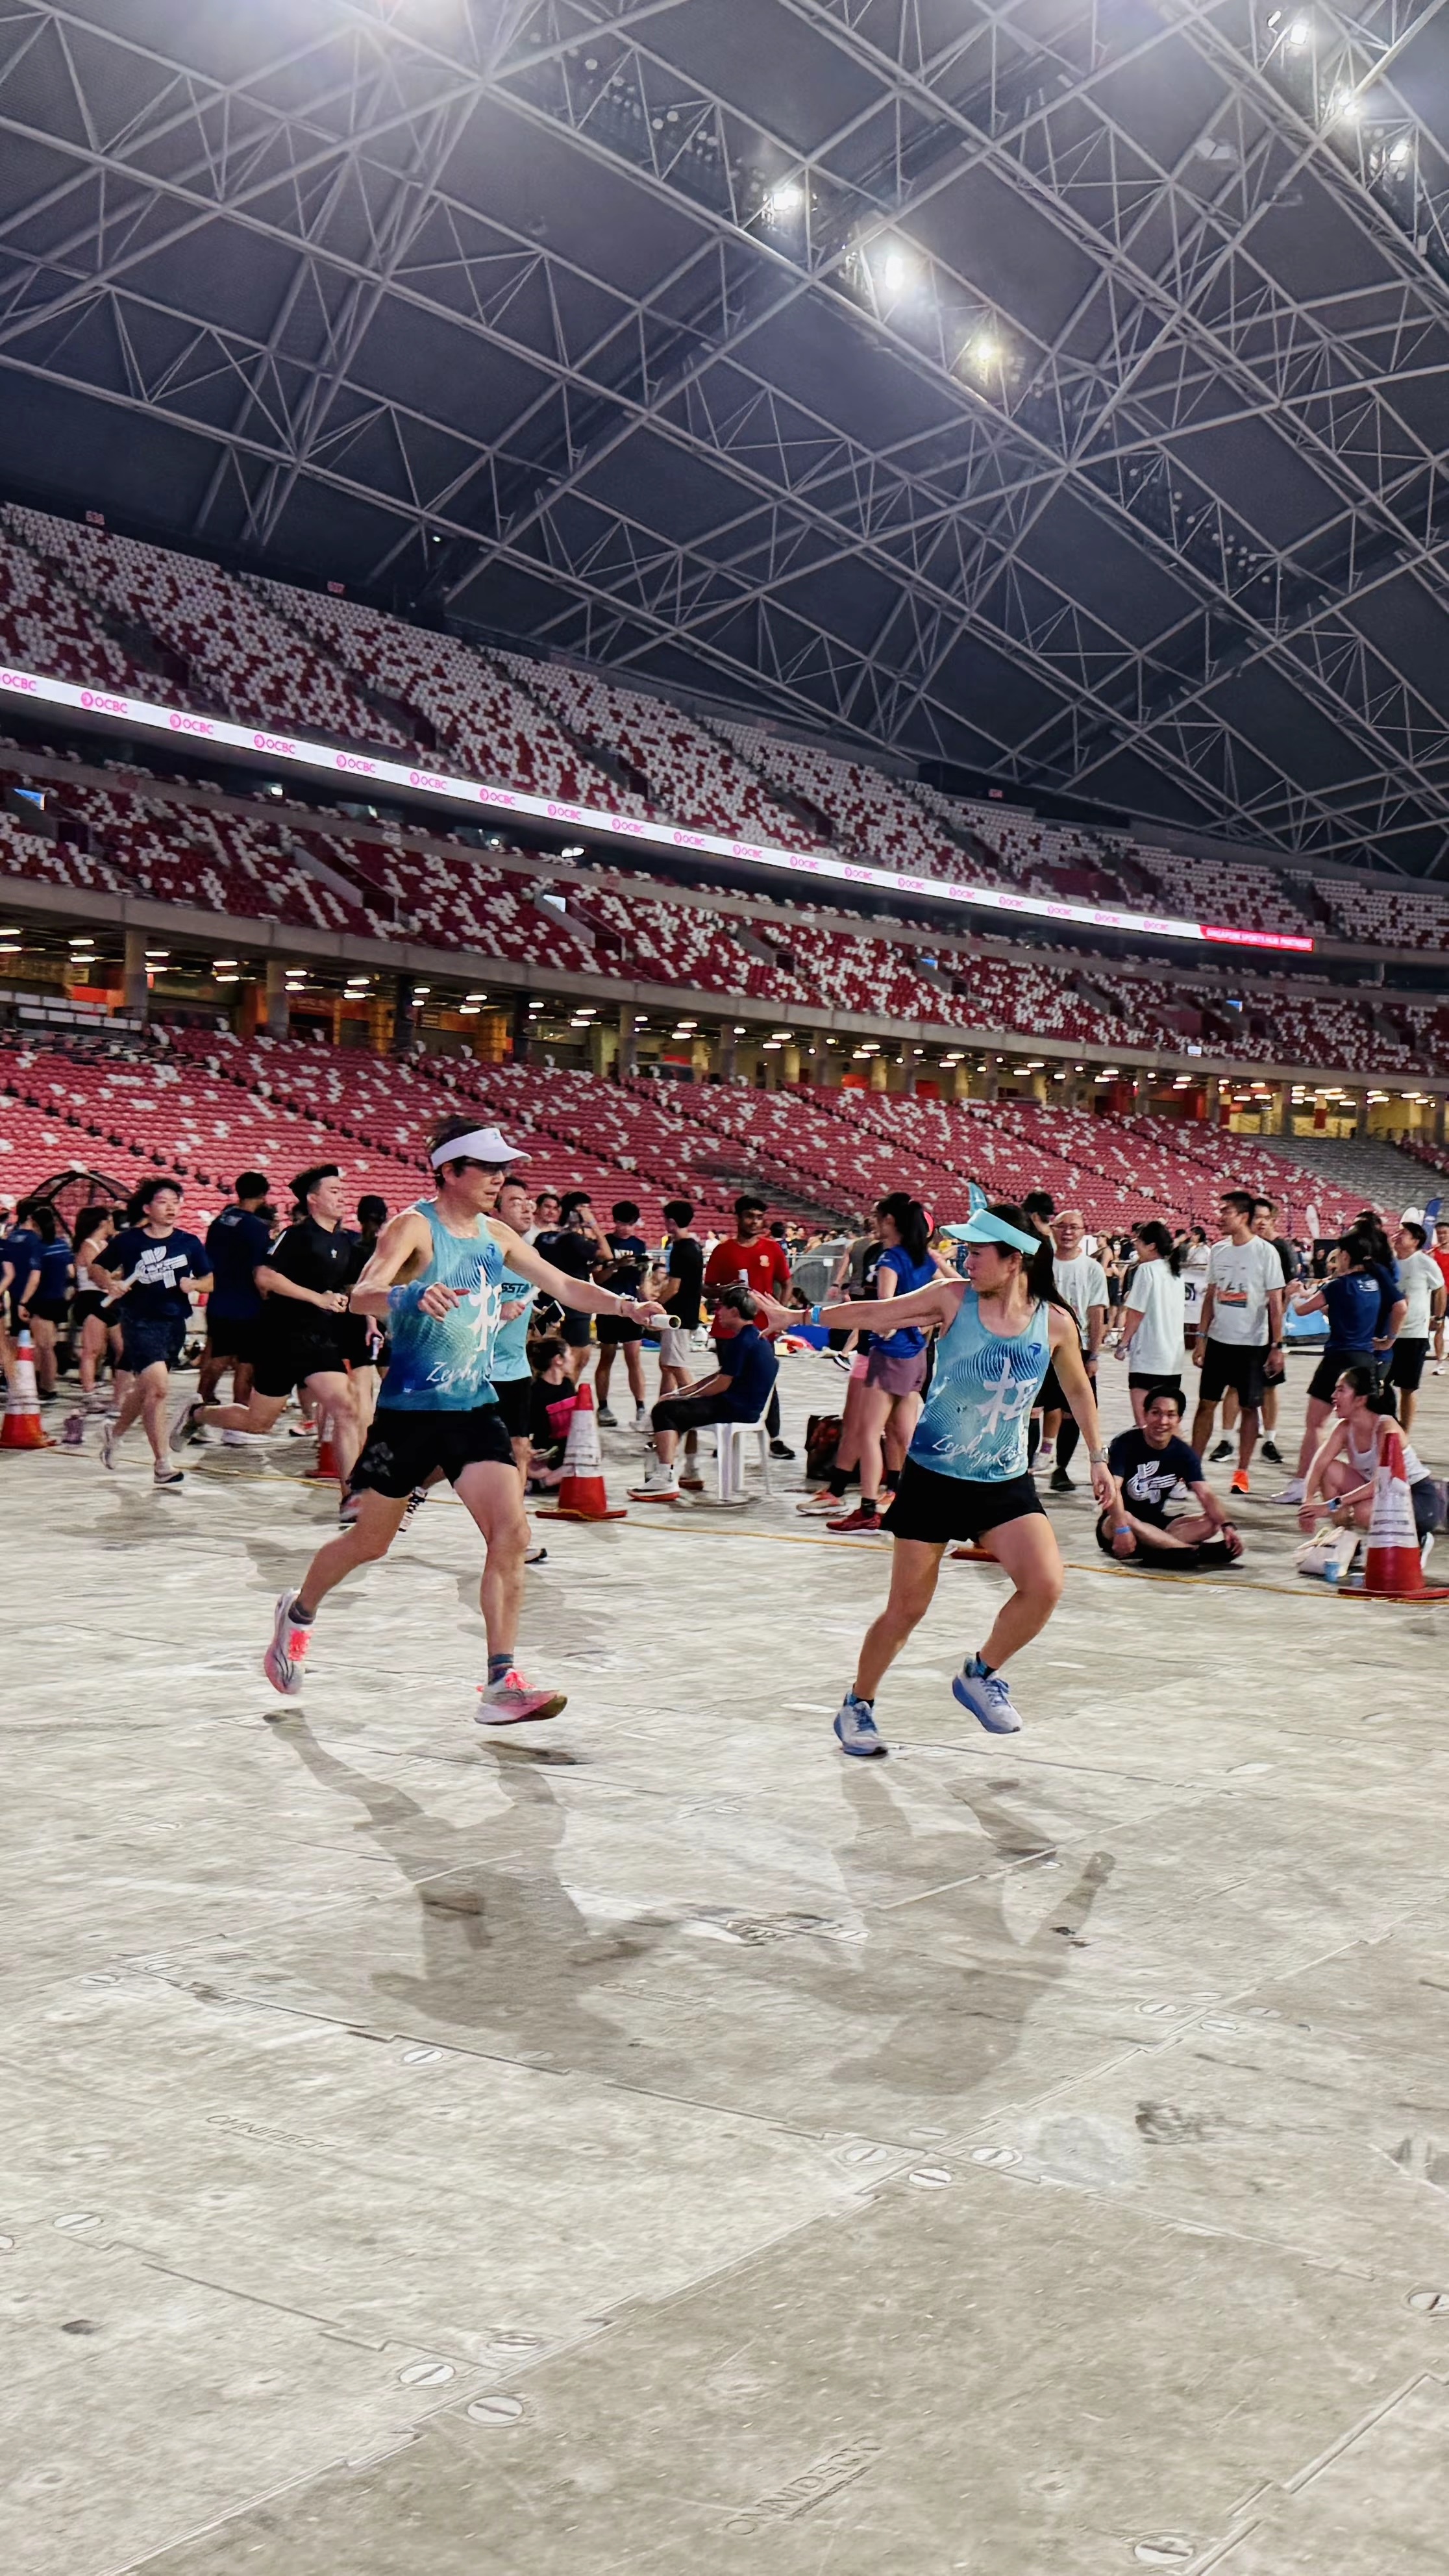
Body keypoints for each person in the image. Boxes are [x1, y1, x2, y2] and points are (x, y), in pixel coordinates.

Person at [261, 1115, 666, 1718]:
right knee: (369, 1543)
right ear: (450, 1171)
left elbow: (564, 1284)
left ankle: (501, 1681)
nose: (500, 1179)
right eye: (488, 1168)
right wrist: (408, 1294)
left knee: (512, 1531)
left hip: (475, 1409)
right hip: (408, 1416)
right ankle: (297, 1611)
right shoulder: (412, 1228)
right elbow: (363, 1292)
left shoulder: (496, 1236)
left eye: (505, 1170)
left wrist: (625, 1306)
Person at [754, 1204, 1113, 1756]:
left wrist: (1097, 1457)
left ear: (1013, 1259)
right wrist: (798, 1318)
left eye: (977, 1252)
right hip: (934, 1475)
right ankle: (858, 1705)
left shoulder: (1056, 1323)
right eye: (965, 1251)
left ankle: (980, 1674)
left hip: (1002, 1479)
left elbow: (1078, 1391)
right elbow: (877, 1314)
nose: (966, 1260)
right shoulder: (952, 1301)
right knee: (908, 1609)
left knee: (1045, 1584)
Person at [177, 1164, 367, 1485]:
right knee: (258, 1422)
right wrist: (316, 1298)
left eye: (343, 1191)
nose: (342, 1197)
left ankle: (352, 1496)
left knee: (347, 1407)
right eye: (334, 1191)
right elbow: (264, 1275)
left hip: (320, 1341)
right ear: (313, 1200)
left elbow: (350, 1288)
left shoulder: (345, 1243)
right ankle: (198, 1414)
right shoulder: (296, 1235)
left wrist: (364, 1312)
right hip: (282, 1340)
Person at [90, 1178, 212, 1486]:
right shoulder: (130, 1241)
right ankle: (162, 1464)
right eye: (163, 1201)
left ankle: (114, 1434)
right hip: (139, 1321)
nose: (171, 1207)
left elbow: (211, 1280)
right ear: (147, 1208)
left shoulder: (189, 1243)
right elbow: (96, 1267)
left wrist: (194, 1285)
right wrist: (110, 1283)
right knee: (158, 1388)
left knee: (147, 1389)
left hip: (174, 1323)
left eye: (176, 1201)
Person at [826, 1193, 936, 1533]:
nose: (872, 1221)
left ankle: (868, 1507)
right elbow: (943, 1294)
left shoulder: (890, 1258)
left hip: (890, 1355)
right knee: (904, 1435)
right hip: (916, 1355)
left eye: (878, 1216)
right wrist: (919, 1325)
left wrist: (875, 1325)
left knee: (869, 1434)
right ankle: (910, 1504)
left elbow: (884, 1310)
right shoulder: (925, 1259)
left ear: (891, 1221)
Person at [629, 1284, 779, 1502]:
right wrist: (684, 1392)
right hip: (745, 1406)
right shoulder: (755, 1337)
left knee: (664, 1411)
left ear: (735, 1312)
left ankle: (664, 1477)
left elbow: (722, 1385)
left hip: (736, 1408)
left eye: (722, 1308)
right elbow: (720, 1375)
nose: (717, 1313)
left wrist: (687, 1397)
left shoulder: (741, 1342)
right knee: (678, 1407)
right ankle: (689, 1471)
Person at [1270, 1227, 1387, 1505]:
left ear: (1346, 1255)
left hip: (1339, 1360)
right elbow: (1341, 1311)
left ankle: (1302, 1484)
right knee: (1367, 1426)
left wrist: (1296, 1292)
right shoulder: (1375, 1283)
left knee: (1315, 1424)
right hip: (1366, 1360)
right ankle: (1372, 1483)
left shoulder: (1339, 1285)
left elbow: (1301, 1310)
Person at [1190, 1191, 1285, 1495]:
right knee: (1206, 1405)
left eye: (1226, 1211)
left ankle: (1242, 1472)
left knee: (1249, 1407)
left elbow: (1275, 1302)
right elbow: (1210, 1297)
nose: (1220, 1216)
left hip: (1252, 1346)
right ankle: (1193, 1469)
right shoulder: (1218, 1251)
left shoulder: (1265, 1252)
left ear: (1243, 1216)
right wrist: (1201, 1338)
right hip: (1219, 1341)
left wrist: (1277, 1345)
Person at [1296, 1363, 1438, 1554]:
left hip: (1417, 1497)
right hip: (1384, 1491)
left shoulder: (1386, 1428)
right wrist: (1308, 1502)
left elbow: (1381, 1482)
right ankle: (1349, 1545)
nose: (1333, 1396)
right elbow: (1319, 1464)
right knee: (1330, 1470)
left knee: (1364, 1511)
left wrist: (1330, 1506)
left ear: (1360, 1399)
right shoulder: (1344, 1428)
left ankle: (1418, 1539)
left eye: (1340, 1391)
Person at [1100, 1387, 1243, 1570]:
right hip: (1116, 1523)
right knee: (1127, 1517)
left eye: (1170, 1415)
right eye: (1156, 1413)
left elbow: (1205, 1495)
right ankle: (1192, 1552)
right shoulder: (1124, 1443)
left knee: (1211, 1521)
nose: (1163, 1421)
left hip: (1157, 1524)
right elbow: (1113, 1491)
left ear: (1179, 1420)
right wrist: (1121, 1528)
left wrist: (1227, 1526)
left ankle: (1160, 1551)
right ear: (1145, 1414)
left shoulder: (1183, 1452)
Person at [704, 1195, 795, 1457]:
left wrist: (781, 1312)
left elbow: (787, 1282)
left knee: (767, 1382)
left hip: (762, 1328)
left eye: (759, 1217)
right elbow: (707, 1288)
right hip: (728, 1328)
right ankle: (726, 1436)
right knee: (727, 1380)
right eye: (750, 1217)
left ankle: (774, 1438)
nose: (755, 1222)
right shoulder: (723, 1250)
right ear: (738, 1217)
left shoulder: (772, 1249)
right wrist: (724, 1289)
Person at [1040, 1208, 1107, 1491]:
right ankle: (1025, 1468)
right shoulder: (1042, 1263)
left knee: (1073, 1410)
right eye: (1063, 1226)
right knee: (1034, 1407)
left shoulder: (1092, 1269)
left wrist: (1093, 1353)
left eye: (1075, 1227)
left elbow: (1096, 1313)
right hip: (1040, 1345)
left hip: (1076, 1349)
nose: (1068, 1231)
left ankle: (1061, 1469)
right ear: (1053, 1229)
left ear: (1083, 1232)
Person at [199, 1171, 271, 1408]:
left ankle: (199, 1404)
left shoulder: (219, 1221)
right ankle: (240, 1413)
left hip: (218, 1300)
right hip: (247, 1305)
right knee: (246, 1363)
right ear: (263, 1195)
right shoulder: (256, 1228)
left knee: (217, 1358)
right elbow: (258, 1272)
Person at [1118, 1222, 1187, 1426]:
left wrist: (1123, 1343)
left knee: (1146, 1424)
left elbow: (1136, 1313)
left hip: (1149, 1355)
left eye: (1138, 1242)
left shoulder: (1146, 1270)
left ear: (1151, 1246)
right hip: (1172, 1358)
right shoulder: (1175, 1272)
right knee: (1168, 1425)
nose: (1136, 1246)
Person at [532, 1189, 605, 1381]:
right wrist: (593, 1225)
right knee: (572, 1359)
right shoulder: (573, 1239)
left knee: (544, 1358)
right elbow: (606, 1254)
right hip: (575, 1304)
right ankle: (565, 1400)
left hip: (547, 1304)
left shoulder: (543, 1238)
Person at [593, 1198, 650, 1428]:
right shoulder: (605, 1243)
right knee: (606, 1356)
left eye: (629, 1224)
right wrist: (617, 1265)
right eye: (620, 1223)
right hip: (608, 1305)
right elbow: (597, 1278)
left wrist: (648, 1300)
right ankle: (603, 1406)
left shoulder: (640, 1245)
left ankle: (641, 1406)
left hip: (632, 1306)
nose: (624, 1228)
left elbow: (642, 1281)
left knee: (634, 1357)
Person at [1250, 1198, 1297, 1464]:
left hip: (1270, 1327)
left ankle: (1270, 1439)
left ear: (1273, 1219)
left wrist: (1278, 1328)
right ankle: (1233, 1437)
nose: (1261, 1221)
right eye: (1256, 1216)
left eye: (1265, 1217)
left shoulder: (1281, 1248)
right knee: (1239, 1386)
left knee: (1270, 1385)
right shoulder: (1245, 1247)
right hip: (1244, 1327)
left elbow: (1288, 1290)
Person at [1387, 1219, 1441, 1438]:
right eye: (1398, 1232)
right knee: (1380, 1382)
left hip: (1415, 1334)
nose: (1398, 1236)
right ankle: (1388, 1424)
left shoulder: (1425, 1262)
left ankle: (1404, 1435)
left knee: (1407, 1388)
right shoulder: (1389, 1262)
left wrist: (1437, 1317)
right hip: (1389, 1334)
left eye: (1404, 1234)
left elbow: (1440, 1289)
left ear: (1416, 1241)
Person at [21, 1204, 75, 1398]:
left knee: (44, 1348)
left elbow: (34, 1279)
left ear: (36, 1225)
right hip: (58, 1299)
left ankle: (48, 1387)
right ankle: (45, 1384)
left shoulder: (40, 1248)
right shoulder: (62, 1244)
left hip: (42, 1300)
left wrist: (23, 1302)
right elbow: (71, 1272)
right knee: (49, 1346)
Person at [72, 1203, 119, 1407]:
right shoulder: (88, 1246)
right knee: (92, 1349)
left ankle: (121, 1387)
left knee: (120, 1347)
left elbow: (114, 1271)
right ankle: (89, 1393)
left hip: (107, 1298)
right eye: (109, 1220)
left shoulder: (105, 1246)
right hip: (92, 1298)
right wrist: (111, 1279)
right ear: (102, 1223)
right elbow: (98, 1274)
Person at [1431, 1215, 1449, 1372]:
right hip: (1440, 1295)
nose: (1442, 1236)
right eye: (1439, 1233)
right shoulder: (1432, 1254)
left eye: (1445, 1233)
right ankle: (1439, 1362)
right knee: (1439, 1327)